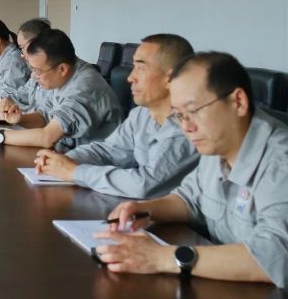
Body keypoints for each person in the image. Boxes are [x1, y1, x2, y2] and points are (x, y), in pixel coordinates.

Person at [97, 53, 288, 299]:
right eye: (179, 115)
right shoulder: (217, 146)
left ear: (238, 102)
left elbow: (278, 260)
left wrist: (161, 258)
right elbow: (191, 198)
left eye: (194, 111)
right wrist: (145, 209)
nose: (186, 127)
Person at [34, 34, 199, 199]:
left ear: (170, 78)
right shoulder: (141, 114)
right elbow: (108, 151)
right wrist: (62, 161)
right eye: (133, 67)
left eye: (141, 68)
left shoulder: (187, 126)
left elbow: (146, 184)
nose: (130, 77)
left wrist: (75, 172)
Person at [0, 29, 119, 149]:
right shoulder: (61, 74)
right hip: (65, 153)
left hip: (94, 166)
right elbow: (47, 118)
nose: (34, 76)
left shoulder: (85, 88)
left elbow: (47, 137)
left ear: (62, 69)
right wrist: (20, 119)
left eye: (38, 71)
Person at [0, 18, 51, 116]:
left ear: (36, 44)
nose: (21, 55)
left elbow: (47, 117)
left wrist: (20, 118)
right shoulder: (36, 70)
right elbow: (24, 94)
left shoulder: (53, 72)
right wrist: (7, 100)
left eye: (22, 47)